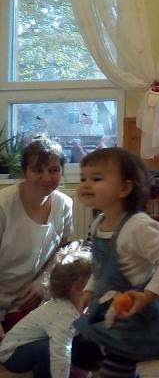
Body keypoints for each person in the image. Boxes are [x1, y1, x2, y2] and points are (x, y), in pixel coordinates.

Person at [73, 147, 159, 378]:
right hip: (109, 306)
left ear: (124, 188)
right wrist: (90, 289)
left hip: (137, 314)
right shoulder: (99, 222)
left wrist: (147, 296)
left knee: (115, 369)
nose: (86, 185)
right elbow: (101, 265)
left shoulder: (137, 226)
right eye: (83, 178)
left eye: (96, 179)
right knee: (83, 351)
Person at [0, 138, 73, 340]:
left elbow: (64, 249)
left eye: (54, 170)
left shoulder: (64, 204)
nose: (46, 177)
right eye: (38, 170)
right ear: (25, 172)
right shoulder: (3, 206)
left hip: (29, 300)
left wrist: (43, 282)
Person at [0, 243, 92, 378]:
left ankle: (68, 368)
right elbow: (60, 352)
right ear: (77, 288)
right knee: (51, 350)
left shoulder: (73, 306)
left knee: (78, 336)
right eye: (93, 285)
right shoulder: (64, 314)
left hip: (32, 346)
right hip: (13, 354)